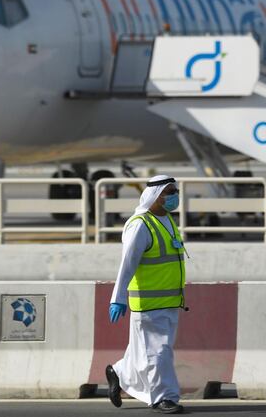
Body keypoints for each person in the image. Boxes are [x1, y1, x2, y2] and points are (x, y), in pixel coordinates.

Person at [106, 175, 186, 414]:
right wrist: (118, 298)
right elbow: (127, 265)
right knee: (158, 352)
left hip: (171, 300)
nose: (174, 196)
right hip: (148, 302)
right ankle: (164, 397)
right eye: (169, 192)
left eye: (175, 191)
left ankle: (119, 373)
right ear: (155, 195)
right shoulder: (140, 225)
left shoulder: (166, 220)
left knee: (147, 351)